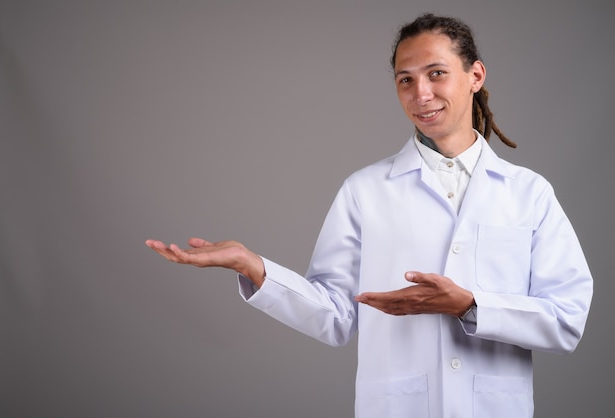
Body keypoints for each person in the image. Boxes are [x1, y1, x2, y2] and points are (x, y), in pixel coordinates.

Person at [145, 13, 592, 418]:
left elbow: (567, 318)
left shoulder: (529, 193)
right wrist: (252, 266)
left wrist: (471, 305)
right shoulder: (366, 190)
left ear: (475, 75)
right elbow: (336, 316)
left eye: (436, 74)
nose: (421, 94)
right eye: (405, 80)